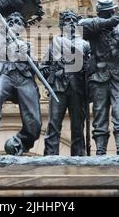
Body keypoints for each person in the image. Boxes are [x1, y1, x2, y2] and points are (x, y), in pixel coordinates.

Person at [0, 8, 41, 155]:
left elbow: (38, 69)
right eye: (10, 21)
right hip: (3, 72)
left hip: (24, 77)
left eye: (17, 22)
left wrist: (27, 54)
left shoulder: (27, 45)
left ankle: (19, 143)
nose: (13, 24)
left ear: (22, 27)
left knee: (35, 122)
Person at [78, 0, 119, 155]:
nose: (106, 15)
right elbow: (80, 28)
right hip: (99, 76)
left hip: (118, 76)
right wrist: (108, 22)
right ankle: (100, 150)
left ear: (113, 11)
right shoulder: (93, 28)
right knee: (100, 114)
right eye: (103, 14)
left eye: (108, 13)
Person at [41, 10, 90, 156]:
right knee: (54, 123)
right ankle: (50, 155)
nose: (70, 23)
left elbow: (91, 66)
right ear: (62, 25)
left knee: (78, 126)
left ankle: (79, 156)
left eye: (72, 21)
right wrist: (53, 73)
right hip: (58, 87)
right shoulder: (53, 44)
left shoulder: (85, 44)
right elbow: (43, 67)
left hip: (78, 88)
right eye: (67, 21)